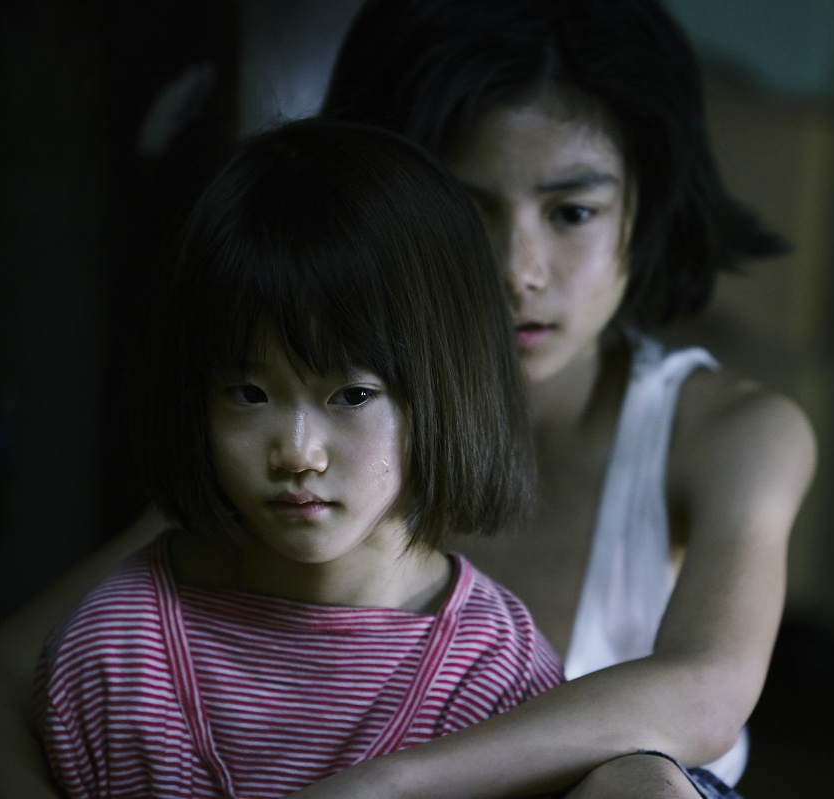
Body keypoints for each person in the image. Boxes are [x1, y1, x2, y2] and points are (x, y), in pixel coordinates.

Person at [0, 0, 817, 797]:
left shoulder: (728, 434)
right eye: (465, 210)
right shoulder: (275, 472)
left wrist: (382, 782)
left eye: (572, 211)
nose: (517, 271)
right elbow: (15, 669)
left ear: (646, 207)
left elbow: (706, 694)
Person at [34, 117, 563, 799]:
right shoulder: (117, 651)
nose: (297, 453)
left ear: (444, 390)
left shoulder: (498, 680)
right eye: (249, 394)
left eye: (351, 395)